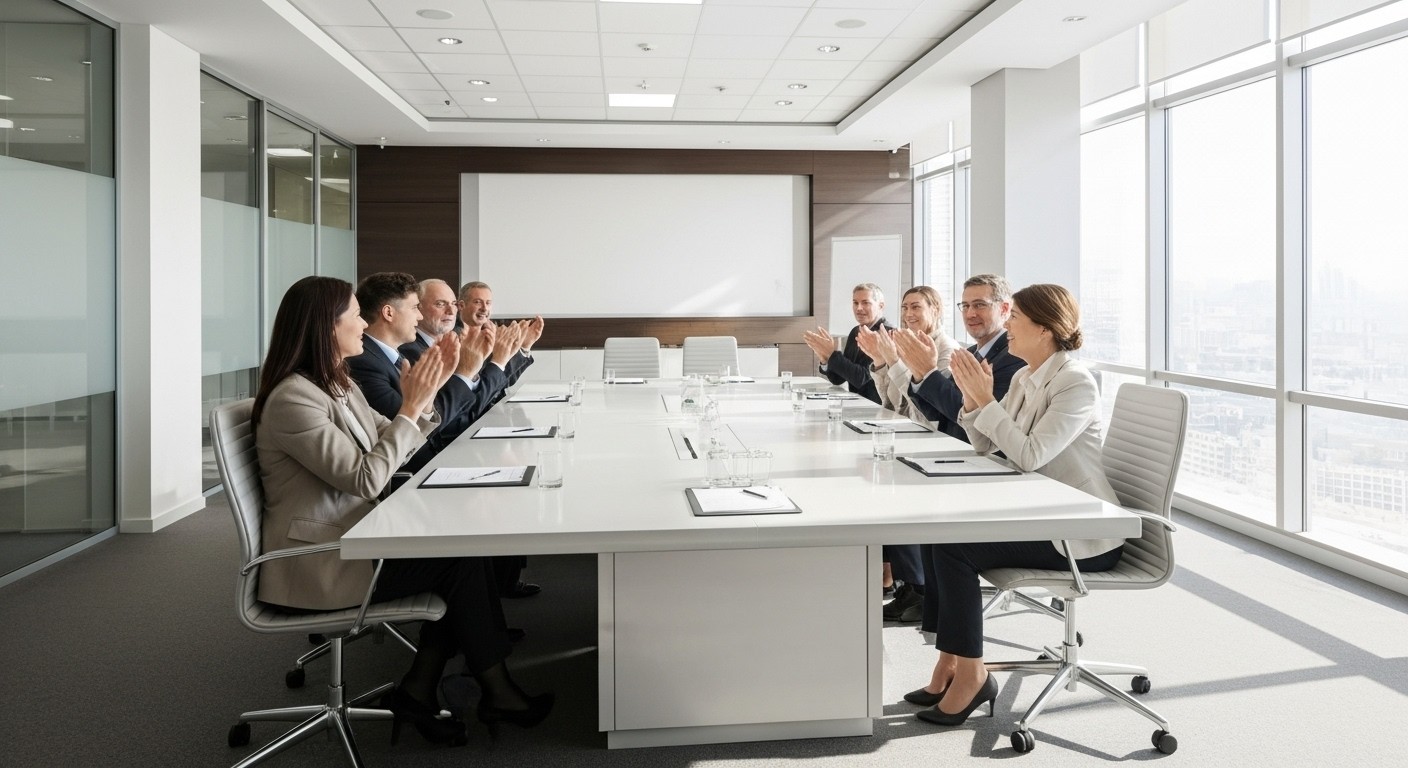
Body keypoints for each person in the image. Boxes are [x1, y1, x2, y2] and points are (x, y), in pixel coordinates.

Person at [252, 276, 552, 745]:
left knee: (462, 556)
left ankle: (437, 688)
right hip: (321, 561)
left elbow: (397, 440)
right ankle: (482, 689)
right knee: (461, 562)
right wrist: (412, 409)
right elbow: (367, 476)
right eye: (353, 314)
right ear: (325, 327)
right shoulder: (295, 398)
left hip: (357, 535)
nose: (361, 322)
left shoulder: (336, 386)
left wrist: (422, 403)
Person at [906, 283, 1121, 726]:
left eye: (1016, 319)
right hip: (1042, 514)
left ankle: (971, 675)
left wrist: (986, 401)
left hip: (1082, 534)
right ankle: (950, 663)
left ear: (1044, 329)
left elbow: (1028, 455)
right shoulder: (1026, 376)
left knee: (954, 547)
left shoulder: (1074, 384)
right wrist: (972, 400)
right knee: (937, 529)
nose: (1008, 328)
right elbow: (991, 447)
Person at [854, 285, 961, 623]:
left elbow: (928, 411)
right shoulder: (905, 343)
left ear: (936, 309)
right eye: (905, 309)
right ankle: (903, 581)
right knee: (869, 476)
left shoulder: (947, 350)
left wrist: (892, 363)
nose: (909, 314)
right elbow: (893, 402)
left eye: (916, 307)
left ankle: (915, 586)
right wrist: (883, 363)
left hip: (939, 445)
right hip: (913, 437)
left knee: (891, 489)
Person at [345, 273, 493, 475]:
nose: (420, 316)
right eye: (415, 308)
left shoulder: (392, 355)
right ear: (388, 313)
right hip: (412, 474)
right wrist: (462, 374)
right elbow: (407, 427)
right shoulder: (364, 362)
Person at [893, 274, 1026, 443]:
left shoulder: (1014, 357)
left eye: (980, 305)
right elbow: (936, 414)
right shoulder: (968, 353)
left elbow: (973, 421)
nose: (970, 314)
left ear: (1005, 309)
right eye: (965, 306)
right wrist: (920, 375)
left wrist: (927, 372)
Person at [802, 283, 893, 404]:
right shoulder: (855, 331)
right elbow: (838, 379)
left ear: (881, 306)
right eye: (855, 303)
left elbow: (862, 378)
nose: (859, 308)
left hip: (878, 408)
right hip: (857, 405)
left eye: (865, 303)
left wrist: (832, 354)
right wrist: (825, 358)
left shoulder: (886, 334)